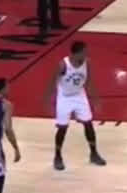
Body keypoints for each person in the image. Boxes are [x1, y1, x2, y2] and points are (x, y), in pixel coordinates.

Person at [45, 41, 106, 170]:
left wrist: (96, 99)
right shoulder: (63, 65)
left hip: (79, 95)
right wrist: (49, 101)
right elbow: (52, 82)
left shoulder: (87, 63)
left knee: (88, 123)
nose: (86, 54)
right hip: (64, 97)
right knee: (63, 128)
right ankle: (57, 156)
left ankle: (94, 154)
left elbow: (89, 82)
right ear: (76, 53)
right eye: (84, 52)